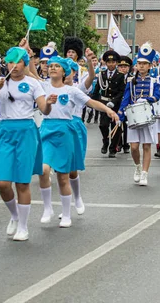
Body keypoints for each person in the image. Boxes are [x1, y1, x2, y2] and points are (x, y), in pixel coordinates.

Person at [38, 55, 118, 226]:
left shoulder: (72, 91)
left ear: (64, 72)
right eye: (50, 66)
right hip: (46, 130)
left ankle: (67, 213)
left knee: (63, 175)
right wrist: (26, 52)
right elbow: (29, 73)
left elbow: (92, 102)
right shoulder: (43, 86)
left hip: (65, 131)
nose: (51, 68)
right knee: (43, 170)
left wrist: (108, 111)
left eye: (56, 66)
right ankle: (47, 208)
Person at [0, 47, 54, 241]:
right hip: (5, 130)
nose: (13, 66)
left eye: (18, 62)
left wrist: (49, 103)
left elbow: (44, 108)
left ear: (25, 64)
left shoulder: (33, 84)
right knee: (2, 183)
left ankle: (24, 227)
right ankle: (15, 215)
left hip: (26, 130)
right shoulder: (0, 83)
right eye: (10, 62)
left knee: (22, 182)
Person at [118, 43, 160, 186]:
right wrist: (120, 114)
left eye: (144, 64)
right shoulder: (131, 82)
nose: (141, 66)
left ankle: (144, 173)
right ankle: (137, 167)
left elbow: (157, 96)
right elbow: (125, 99)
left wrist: (147, 99)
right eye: (139, 64)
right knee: (134, 147)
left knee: (146, 146)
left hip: (148, 116)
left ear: (149, 66)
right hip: (133, 117)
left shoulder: (154, 81)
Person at [92, 50, 125, 158]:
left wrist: (114, 101)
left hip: (116, 104)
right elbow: (97, 89)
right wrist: (93, 102)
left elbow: (121, 91)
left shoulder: (120, 75)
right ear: (106, 63)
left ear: (116, 63)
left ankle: (112, 148)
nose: (111, 64)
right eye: (109, 62)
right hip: (104, 104)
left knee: (116, 126)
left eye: (113, 62)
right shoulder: (102, 74)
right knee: (103, 125)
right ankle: (105, 141)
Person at [116, 55, 133, 154]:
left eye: (125, 66)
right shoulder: (115, 77)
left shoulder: (132, 78)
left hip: (128, 104)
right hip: (118, 103)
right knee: (117, 124)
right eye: (121, 66)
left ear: (129, 68)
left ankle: (126, 144)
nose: (123, 68)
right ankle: (118, 143)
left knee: (127, 125)